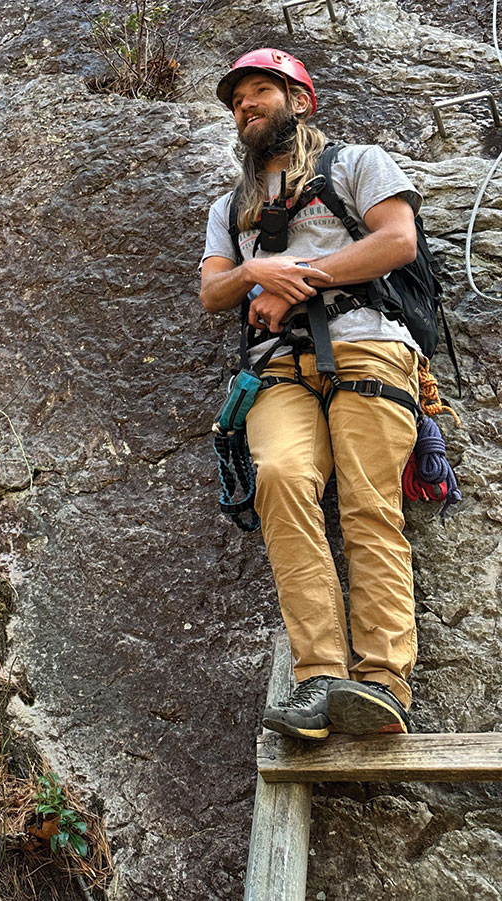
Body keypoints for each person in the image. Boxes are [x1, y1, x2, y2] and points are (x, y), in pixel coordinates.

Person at [200, 48, 422, 740]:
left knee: (367, 504)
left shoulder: (359, 164)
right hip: (276, 369)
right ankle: (320, 676)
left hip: (368, 344)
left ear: (302, 101)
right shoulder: (230, 205)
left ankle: (384, 683)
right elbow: (213, 289)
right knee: (281, 479)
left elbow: (398, 240)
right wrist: (259, 270)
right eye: (238, 101)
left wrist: (304, 276)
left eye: (261, 92)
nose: (246, 107)